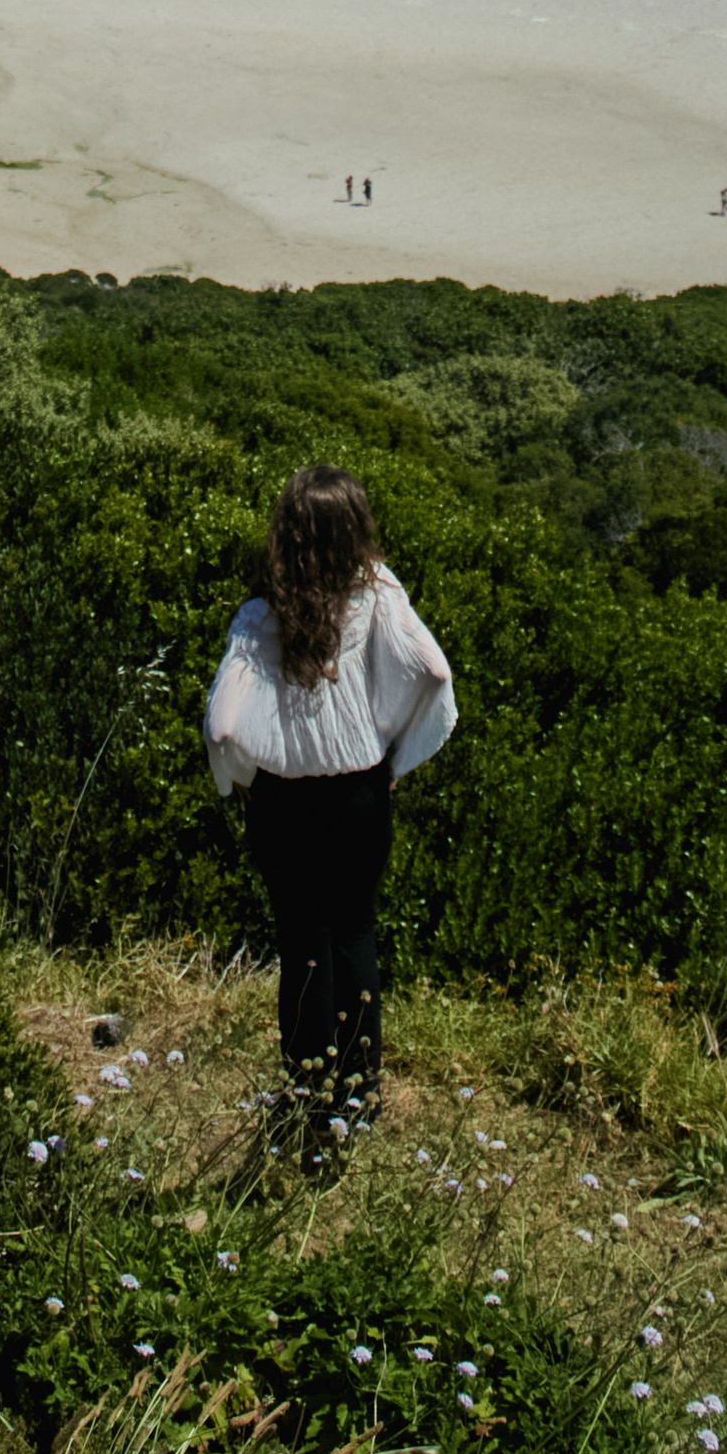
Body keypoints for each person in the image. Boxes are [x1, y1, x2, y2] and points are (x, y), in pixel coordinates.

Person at [203, 465, 456, 1153]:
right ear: (356, 532)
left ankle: (306, 1097)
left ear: (284, 535)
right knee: (354, 935)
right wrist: (395, 753)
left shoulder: (261, 616)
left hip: (285, 802)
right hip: (359, 796)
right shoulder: (377, 596)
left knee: (302, 946)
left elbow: (224, 724)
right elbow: (432, 671)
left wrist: (242, 775)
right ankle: (360, 1098)